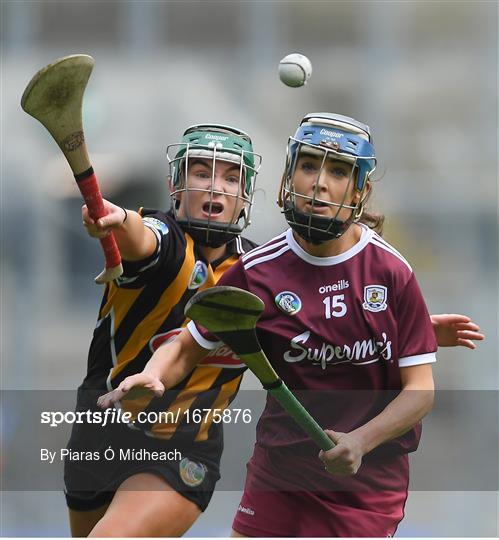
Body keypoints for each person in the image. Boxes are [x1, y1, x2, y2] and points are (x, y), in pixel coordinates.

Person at [98, 112, 485, 537]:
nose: (319, 182)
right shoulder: (256, 271)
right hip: (278, 477)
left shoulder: (390, 272)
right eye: (308, 165)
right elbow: (188, 346)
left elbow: (420, 391)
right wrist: (152, 376)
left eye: (338, 171)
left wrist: (361, 440)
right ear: (289, 175)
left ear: (360, 189)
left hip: (364, 487)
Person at [64, 124, 262, 537]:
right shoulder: (165, 240)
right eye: (201, 173)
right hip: (99, 432)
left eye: (230, 177)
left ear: (245, 195)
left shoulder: (261, 272)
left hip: (182, 449)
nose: (216, 187)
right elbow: (140, 238)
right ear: (175, 186)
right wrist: (118, 220)